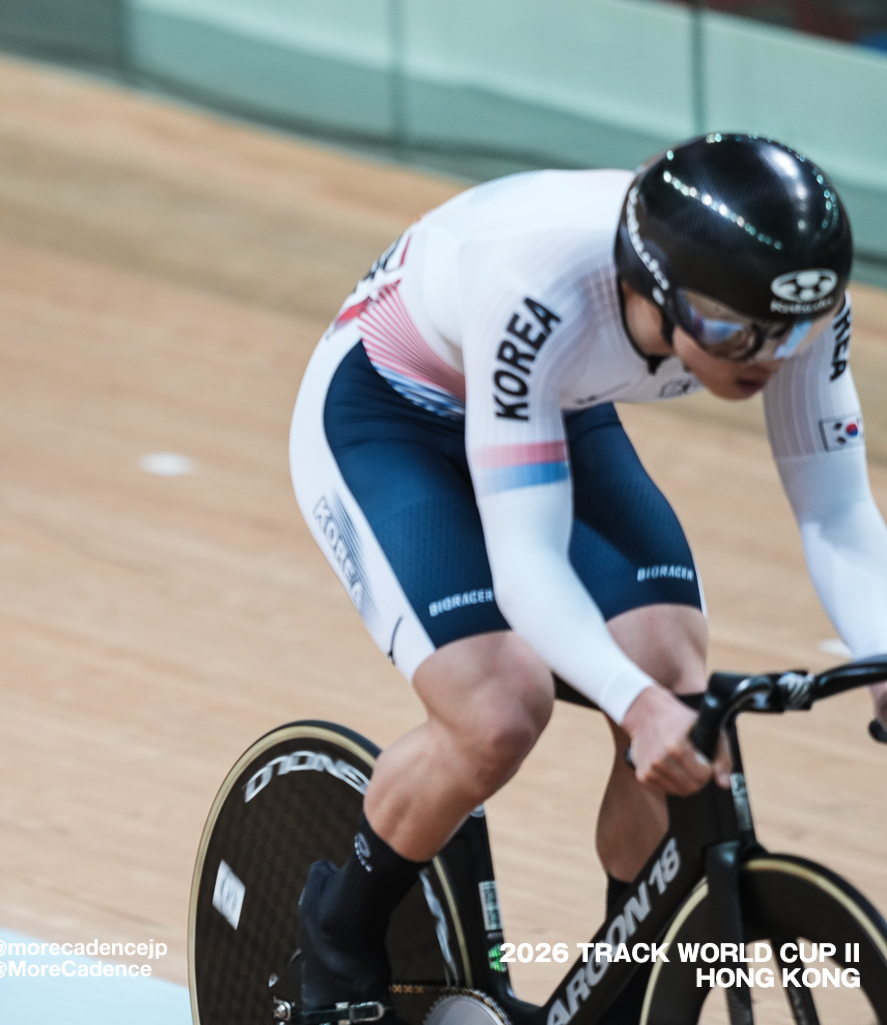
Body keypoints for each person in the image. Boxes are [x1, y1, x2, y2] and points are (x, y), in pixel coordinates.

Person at [286, 134, 887, 1014]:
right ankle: (337, 936)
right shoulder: (540, 282)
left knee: (674, 676)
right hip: (390, 413)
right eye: (729, 331)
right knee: (498, 709)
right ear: (652, 286)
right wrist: (629, 701)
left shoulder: (787, 300)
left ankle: (621, 989)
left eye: (787, 334)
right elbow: (525, 559)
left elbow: (836, 511)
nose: (763, 357)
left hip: (550, 405)